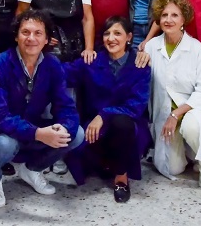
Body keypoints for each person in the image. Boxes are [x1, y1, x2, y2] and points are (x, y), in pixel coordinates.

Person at [0, 9, 84, 208]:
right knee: (5, 144)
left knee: (76, 135)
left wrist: (65, 126)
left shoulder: (52, 65)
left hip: (32, 125)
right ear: (16, 36)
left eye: (38, 33)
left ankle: (32, 170)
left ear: (47, 39)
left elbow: (65, 105)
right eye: (25, 32)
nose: (31, 38)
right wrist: (37, 133)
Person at [63, 16, 151, 203]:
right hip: (94, 129)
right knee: (85, 162)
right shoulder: (93, 59)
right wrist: (37, 57)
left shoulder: (140, 64)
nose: (111, 38)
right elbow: (63, 74)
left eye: (117, 33)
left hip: (128, 126)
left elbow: (136, 105)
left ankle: (121, 177)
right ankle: (104, 162)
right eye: (107, 33)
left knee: (122, 123)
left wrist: (104, 115)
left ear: (129, 37)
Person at [144, 0, 201, 188]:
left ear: (183, 19)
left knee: (193, 126)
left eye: (175, 15)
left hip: (196, 108)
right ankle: (192, 152)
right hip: (165, 113)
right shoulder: (151, 47)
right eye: (164, 15)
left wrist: (176, 114)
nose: (168, 20)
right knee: (173, 168)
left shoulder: (197, 49)